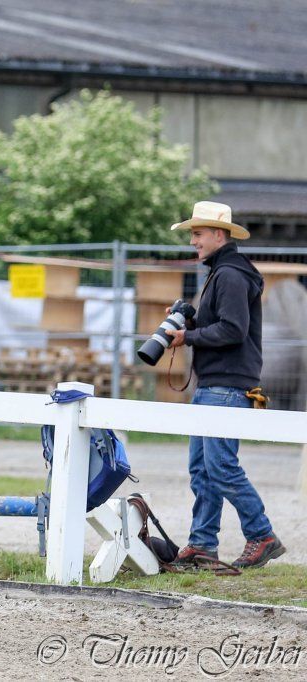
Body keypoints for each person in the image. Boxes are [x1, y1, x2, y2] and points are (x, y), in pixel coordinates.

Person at [166, 201, 284, 569]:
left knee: (219, 468)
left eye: (198, 234)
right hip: (217, 385)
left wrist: (188, 337)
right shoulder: (225, 272)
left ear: (219, 234)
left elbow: (233, 330)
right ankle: (202, 544)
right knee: (203, 469)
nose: (193, 242)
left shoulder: (230, 275)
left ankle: (261, 534)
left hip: (227, 387)